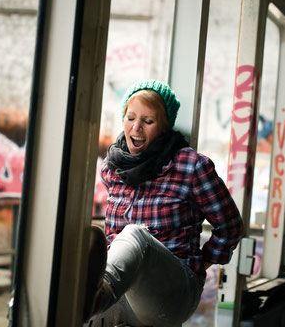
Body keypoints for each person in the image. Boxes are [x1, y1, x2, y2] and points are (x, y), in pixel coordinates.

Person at [84, 79, 244, 326]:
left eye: (148, 121)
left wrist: (202, 263)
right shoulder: (112, 167)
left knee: (135, 235)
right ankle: (89, 297)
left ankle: (94, 297)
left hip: (174, 294)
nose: (136, 128)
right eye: (130, 118)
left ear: (164, 127)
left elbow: (230, 225)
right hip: (124, 293)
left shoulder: (191, 166)